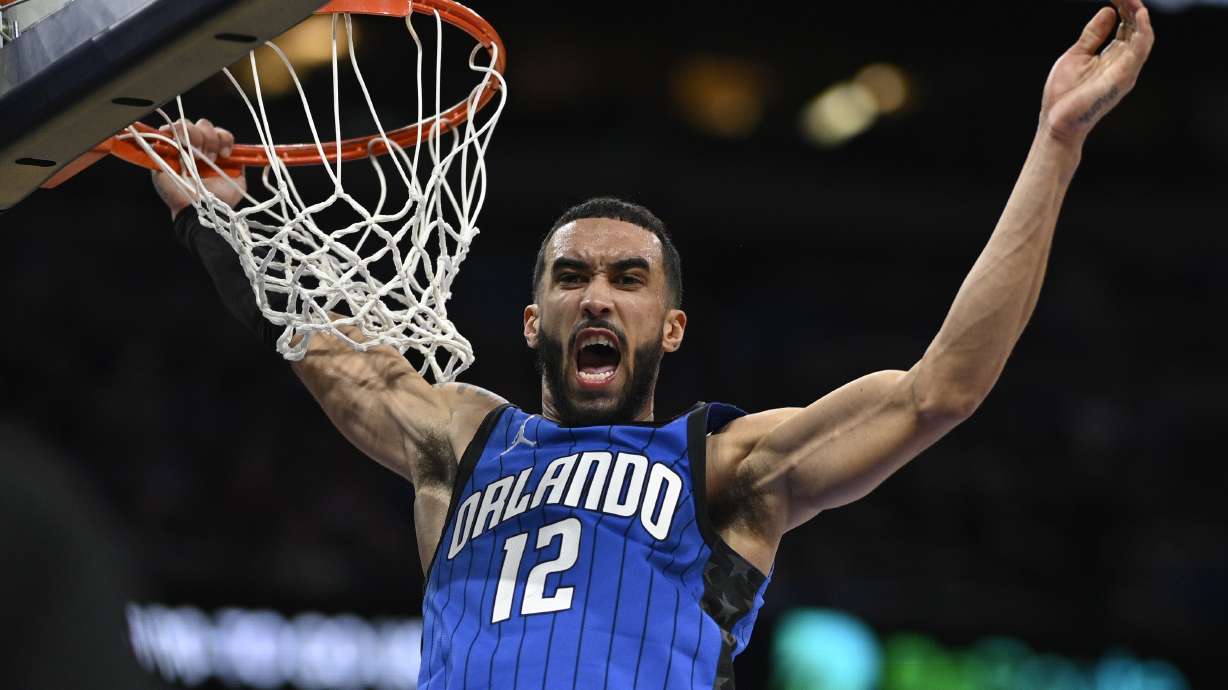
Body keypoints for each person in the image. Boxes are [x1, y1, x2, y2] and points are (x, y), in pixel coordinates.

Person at [151, 3, 1154, 688]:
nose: (599, 295)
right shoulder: (462, 443)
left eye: (628, 278)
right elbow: (333, 354)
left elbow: (940, 388)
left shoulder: (724, 466)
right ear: (532, 319)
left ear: (669, 326)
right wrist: (217, 218)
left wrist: (1056, 143)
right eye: (571, 276)